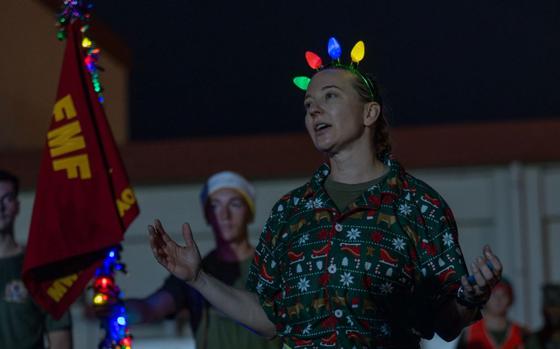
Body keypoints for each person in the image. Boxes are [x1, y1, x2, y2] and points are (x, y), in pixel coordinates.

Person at [148, 37, 503, 348]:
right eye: (308, 104)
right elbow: (270, 318)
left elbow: (444, 324)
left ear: (369, 112)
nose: (314, 109)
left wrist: (468, 298)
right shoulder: (291, 211)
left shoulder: (418, 206)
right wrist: (198, 279)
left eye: (330, 96)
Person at [109, 171, 280, 349]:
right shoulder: (194, 270)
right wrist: (116, 310)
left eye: (235, 204)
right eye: (215, 206)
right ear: (207, 215)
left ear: (250, 213)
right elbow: (151, 309)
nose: (224, 215)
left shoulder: (273, 267)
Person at [0, 170, 72, 349]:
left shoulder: (39, 269)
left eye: (6, 199)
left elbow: (61, 339)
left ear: (17, 206)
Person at [457, 278, 527, 349]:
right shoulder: (468, 334)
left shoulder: (522, 333)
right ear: (485, 298)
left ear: (510, 299)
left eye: (503, 295)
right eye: (494, 295)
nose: (498, 300)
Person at [525, 283, 560, 349]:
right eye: (549, 309)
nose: (553, 313)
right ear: (543, 311)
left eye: (557, 310)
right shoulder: (534, 340)